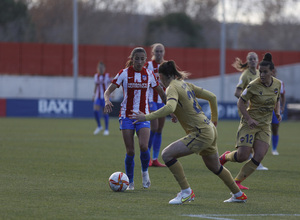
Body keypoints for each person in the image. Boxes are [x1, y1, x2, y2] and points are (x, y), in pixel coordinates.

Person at [130, 60, 247, 204]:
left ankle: (186, 192)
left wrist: (145, 117)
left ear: (164, 76)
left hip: (200, 132)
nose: (160, 80)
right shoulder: (185, 84)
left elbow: (170, 107)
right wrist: (214, 120)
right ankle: (238, 194)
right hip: (209, 128)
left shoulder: (171, 87)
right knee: (215, 166)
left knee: (166, 155)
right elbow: (212, 97)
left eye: (160, 77)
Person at [104, 47, 167, 190]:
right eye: (136, 59)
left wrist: (173, 110)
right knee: (130, 151)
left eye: (142, 59)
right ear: (132, 59)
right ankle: (130, 182)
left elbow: (162, 94)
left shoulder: (150, 74)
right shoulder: (124, 73)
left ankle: (145, 172)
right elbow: (108, 91)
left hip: (143, 115)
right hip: (126, 115)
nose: (139, 62)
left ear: (145, 60)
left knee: (144, 146)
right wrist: (107, 100)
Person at [219, 53, 282, 190]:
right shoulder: (253, 85)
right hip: (249, 123)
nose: (262, 74)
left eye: (265, 72)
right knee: (243, 156)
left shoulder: (277, 84)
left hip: (264, 125)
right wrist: (249, 118)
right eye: (261, 72)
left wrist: (277, 111)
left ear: (272, 72)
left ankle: (237, 181)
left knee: (259, 156)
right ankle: (225, 156)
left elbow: (277, 99)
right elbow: (240, 102)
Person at [232, 52, 268, 171]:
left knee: (257, 133)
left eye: (254, 59)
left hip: (257, 110)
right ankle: (254, 160)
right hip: (247, 111)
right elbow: (237, 92)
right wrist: (246, 102)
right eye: (251, 59)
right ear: (247, 61)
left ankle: (254, 159)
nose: (253, 60)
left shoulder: (259, 73)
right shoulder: (245, 75)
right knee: (253, 133)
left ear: (258, 60)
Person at [145, 43, 167, 167]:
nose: (159, 53)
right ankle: (146, 157)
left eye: (161, 51)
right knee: (153, 128)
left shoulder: (166, 65)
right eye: (156, 51)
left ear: (164, 52)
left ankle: (155, 159)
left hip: (162, 100)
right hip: (151, 100)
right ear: (152, 52)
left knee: (159, 129)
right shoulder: (148, 65)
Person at [93, 62, 110, 136]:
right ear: (97, 68)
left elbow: (111, 84)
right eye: (99, 67)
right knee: (95, 111)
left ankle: (106, 129)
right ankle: (99, 126)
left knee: (105, 112)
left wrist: (112, 93)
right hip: (98, 97)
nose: (101, 69)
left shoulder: (107, 75)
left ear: (104, 68)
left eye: (102, 67)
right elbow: (96, 86)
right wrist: (93, 95)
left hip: (105, 97)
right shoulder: (96, 76)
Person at [271, 68, 286, 155]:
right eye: (271, 71)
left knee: (275, 128)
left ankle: (274, 148)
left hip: (276, 109)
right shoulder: (263, 82)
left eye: (274, 72)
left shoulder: (280, 83)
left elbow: (283, 96)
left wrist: (282, 107)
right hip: (265, 109)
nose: (273, 73)